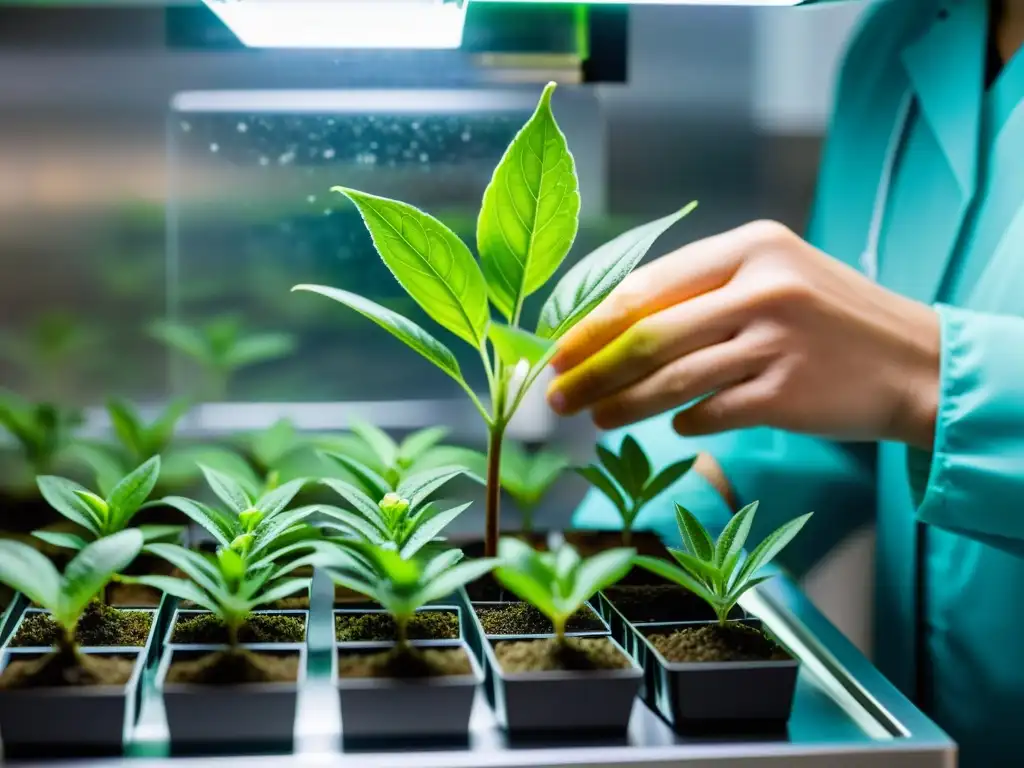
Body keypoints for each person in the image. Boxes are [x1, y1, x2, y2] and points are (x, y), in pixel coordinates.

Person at [550, 0, 1024, 764]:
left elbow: (903, 381)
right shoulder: (898, 38)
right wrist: (677, 505)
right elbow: (851, 422)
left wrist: (929, 374)